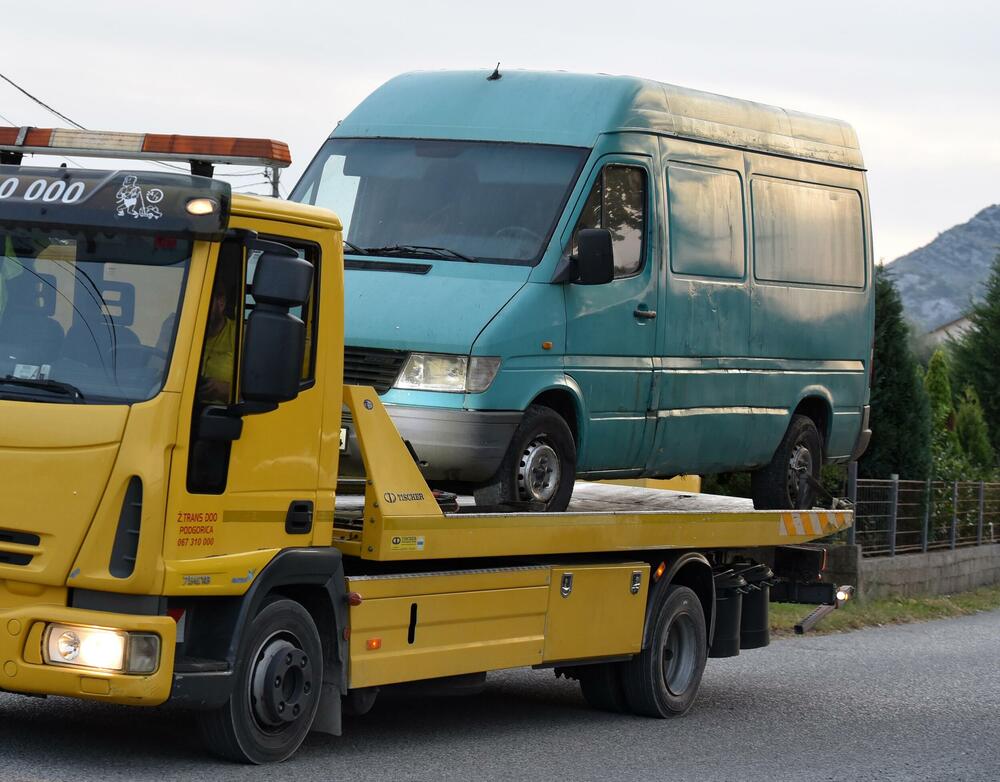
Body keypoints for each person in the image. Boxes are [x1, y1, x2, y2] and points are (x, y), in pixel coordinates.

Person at [198, 278, 236, 403]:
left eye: (201, 301)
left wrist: (224, 389)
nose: (195, 308)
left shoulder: (240, 336)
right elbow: (155, 373)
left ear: (221, 303)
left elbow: (257, 393)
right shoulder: (177, 329)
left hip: (222, 415)